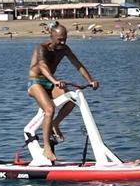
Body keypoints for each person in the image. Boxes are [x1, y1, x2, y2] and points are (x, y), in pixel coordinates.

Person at [27, 24, 99, 162]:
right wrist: (54, 81)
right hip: (35, 82)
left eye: (65, 39)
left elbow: (77, 64)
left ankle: (55, 124)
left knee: (72, 100)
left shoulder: (64, 49)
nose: (62, 42)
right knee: (49, 109)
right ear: (51, 36)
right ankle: (46, 147)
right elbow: (42, 66)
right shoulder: (42, 48)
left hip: (50, 83)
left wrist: (91, 80)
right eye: (60, 39)